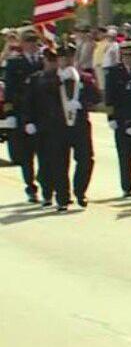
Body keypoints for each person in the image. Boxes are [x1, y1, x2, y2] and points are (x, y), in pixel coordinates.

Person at [25, 48, 73, 211]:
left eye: (54, 60)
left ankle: (63, 197)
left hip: (60, 127)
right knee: (44, 163)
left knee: (61, 163)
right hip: (42, 127)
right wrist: (29, 121)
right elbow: (29, 102)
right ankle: (47, 194)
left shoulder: (65, 77)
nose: (52, 63)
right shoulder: (35, 79)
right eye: (49, 60)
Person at [105, 41, 131, 199]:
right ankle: (127, 186)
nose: (129, 58)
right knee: (125, 155)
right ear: (121, 56)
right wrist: (111, 117)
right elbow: (109, 97)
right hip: (121, 119)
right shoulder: (114, 73)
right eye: (126, 55)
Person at [4, 29, 42, 202]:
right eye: (29, 41)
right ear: (23, 44)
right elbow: (9, 90)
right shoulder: (15, 63)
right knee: (27, 155)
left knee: (46, 152)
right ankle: (30, 186)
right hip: (22, 113)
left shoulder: (44, 61)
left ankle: (43, 180)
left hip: (42, 113)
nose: (32, 44)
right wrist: (10, 113)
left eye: (34, 41)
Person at [55, 45, 96, 208]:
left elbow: (96, 97)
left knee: (86, 159)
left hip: (80, 126)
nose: (66, 61)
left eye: (70, 57)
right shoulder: (51, 79)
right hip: (59, 126)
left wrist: (82, 103)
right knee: (59, 162)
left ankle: (80, 191)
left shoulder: (84, 78)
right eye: (63, 57)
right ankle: (62, 197)